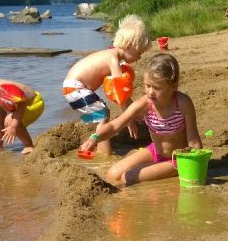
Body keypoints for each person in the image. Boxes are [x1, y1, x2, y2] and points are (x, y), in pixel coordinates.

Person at [80, 53, 203, 185]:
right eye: (147, 85)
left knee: (128, 177)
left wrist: (194, 167)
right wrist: (95, 137)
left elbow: (194, 141)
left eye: (156, 88)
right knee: (112, 174)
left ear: (173, 86)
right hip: (155, 151)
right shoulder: (145, 104)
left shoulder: (183, 103)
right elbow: (116, 125)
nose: (150, 92)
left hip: (179, 158)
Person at [63, 14, 151, 155]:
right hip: (75, 87)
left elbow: (123, 94)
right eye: (139, 53)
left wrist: (134, 112)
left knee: (102, 114)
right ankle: (104, 155)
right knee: (104, 114)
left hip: (73, 87)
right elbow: (120, 96)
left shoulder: (112, 54)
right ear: (129, 46)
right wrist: (129, 121)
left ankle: (96, 142)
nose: (139, 58)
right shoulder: (113, 60)